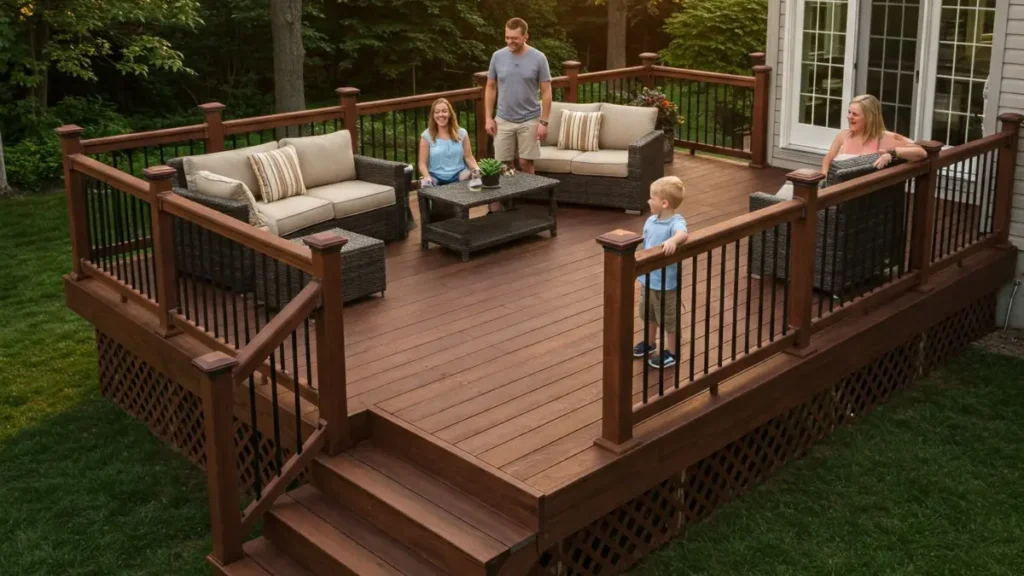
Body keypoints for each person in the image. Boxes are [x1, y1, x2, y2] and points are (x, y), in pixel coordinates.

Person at [633, 176, 690, 369]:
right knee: (649, 314)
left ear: (664, 203)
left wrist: (673, 241)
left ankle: (672, 353)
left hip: (666, 284)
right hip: (648, 279)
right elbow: (646, 241)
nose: (648, 201)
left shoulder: (675, 222)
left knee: (669, 319)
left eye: (652, 198)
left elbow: (683, 234)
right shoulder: (651, 220)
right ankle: (650, 343)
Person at [484, 17, 552, 176]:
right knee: (503, 163)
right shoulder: (497, 57)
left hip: (529, 118)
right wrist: (488, 117)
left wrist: (544, 122)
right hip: (503, 118)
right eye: (507, 37)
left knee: (525, 161)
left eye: (514, 38)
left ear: (525, 37)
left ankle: (530, 198)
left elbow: (547, 91)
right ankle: (507, 199)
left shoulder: (539, 58)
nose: (509, 41)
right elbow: (490, 86)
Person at [821, 94, 927, 174]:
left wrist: (892, 153)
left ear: (869, 118)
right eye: (849, 112)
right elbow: (828, 158)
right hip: (836, 191)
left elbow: (921, 152)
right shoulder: (843, 135)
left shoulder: (883, 137)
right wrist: (824, 181)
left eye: (855, 114)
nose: (849, 117)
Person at [418, 97, 479, 187]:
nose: (441, 115)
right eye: (437, 112)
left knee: (474, 178)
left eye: (444, 111)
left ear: (450, 113)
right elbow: (422, 164)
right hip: (435, 177)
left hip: (459, 175)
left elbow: (469, 157)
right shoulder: (426, 136)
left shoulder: (462, 133)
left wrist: (477, 169)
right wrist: (427, 177)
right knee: (426, 184)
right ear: (433, 115)